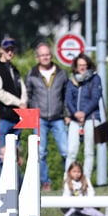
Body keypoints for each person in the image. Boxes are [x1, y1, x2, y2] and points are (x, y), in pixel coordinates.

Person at [25, 42, 69, 191]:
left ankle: (68, 181)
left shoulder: (62, 73)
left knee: (66, 151)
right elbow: (28, 96)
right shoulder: (32, 74)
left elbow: (66, 95)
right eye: (42, 55)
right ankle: (45, 183)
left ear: (51, 55)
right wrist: (30, 114)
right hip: (39, 118)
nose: (45, 57)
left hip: (58, 117)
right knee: (40, 152)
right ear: (37, 57)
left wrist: (67, 114)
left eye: (47, 54)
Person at [65, 54, 102, 183]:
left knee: (89, 151)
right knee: (71, 151)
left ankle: (86, 181)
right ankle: (67, 180)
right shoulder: (71, 81)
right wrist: (75, 113)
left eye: (84, 66)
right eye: (79, 65)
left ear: (88, 66)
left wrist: (84, 113)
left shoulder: (95, 79)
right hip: (75, 120)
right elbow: (68, 99)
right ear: (75, 67)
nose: (82, 68)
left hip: (91, 118)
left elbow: (95, 98)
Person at [0, 37, 27, 150]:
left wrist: (23, 102)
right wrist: (19, 102)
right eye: (7, 49)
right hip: (1, 118)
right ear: (1, 50)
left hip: (16, 118)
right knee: (0, 156)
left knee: (15, 156)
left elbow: (22, 89)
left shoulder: (14, 70)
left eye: (12, 49)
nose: (10, 52)